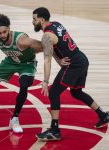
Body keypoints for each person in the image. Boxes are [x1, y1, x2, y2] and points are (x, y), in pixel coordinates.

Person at [32, 7, 109, 141]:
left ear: (42, 19)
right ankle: (103, 115)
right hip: (81, 59)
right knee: (76, 92)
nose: (32, 22)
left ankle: (55, 130)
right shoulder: (56, 24)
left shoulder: (46, 36)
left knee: (54, 92)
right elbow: (58, 46)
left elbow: (47, 60)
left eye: (34, 19)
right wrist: (59, 59)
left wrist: (45, 81)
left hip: (74, 64)